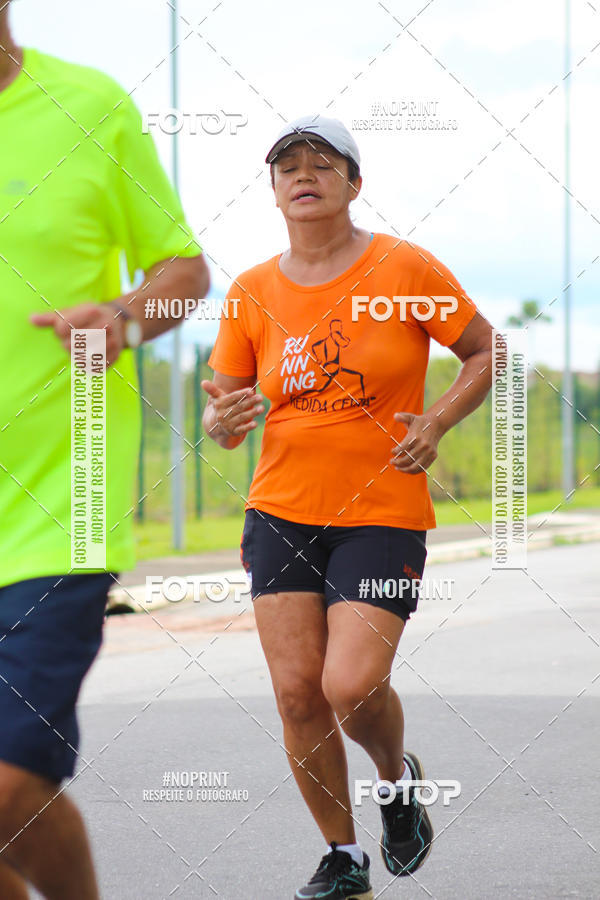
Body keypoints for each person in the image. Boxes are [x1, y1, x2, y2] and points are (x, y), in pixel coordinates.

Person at [202, 114, 493, 900]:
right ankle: (343, 858)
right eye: (287, 166)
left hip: (381, 511)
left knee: (351, 686)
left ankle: (397, 785)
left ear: (352, 184)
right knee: (298, 694)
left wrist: (436, 420)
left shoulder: (404, 266)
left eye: (322, 163)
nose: (303, 174)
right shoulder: (252, 291)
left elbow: (484, 350)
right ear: (272, 190)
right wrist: (218, 421)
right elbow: (223, 406)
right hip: (280, 514)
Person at [0, 5, 209, 898]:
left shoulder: (90, 106)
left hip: (59, 512)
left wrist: (122, 321)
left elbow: (183, 269)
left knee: (8, 789)